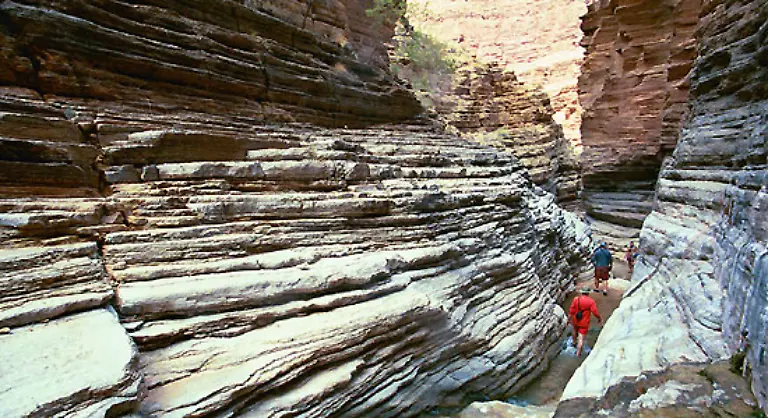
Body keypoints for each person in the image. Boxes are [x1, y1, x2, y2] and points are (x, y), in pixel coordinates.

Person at [569, 287, 603, 357]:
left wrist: (569, 319)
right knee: (581, 338)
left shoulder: (576, 299)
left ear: (582, 292)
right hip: (584, 322)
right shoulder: (591, 301)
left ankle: (574, 342)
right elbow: (595, 312)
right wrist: (599, 318)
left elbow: (571, 310)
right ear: (588, 293)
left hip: (575, 319)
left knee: (574, 331)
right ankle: (578, 353)